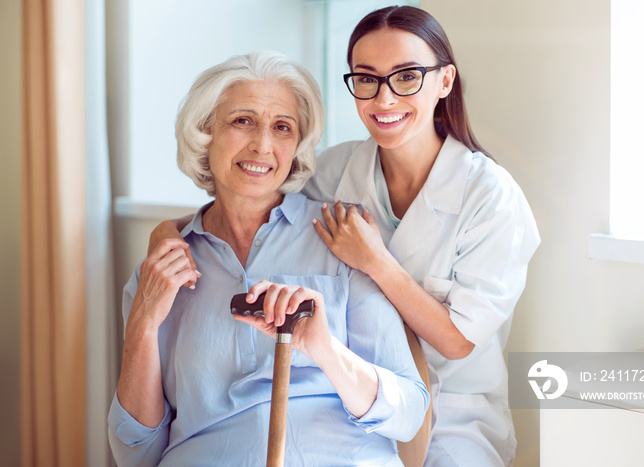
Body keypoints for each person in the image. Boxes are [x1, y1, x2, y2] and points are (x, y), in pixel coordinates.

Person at [149, 6, 540, 466]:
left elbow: (456, 342)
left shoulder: (490, 197)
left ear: (445, 81)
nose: (385, 98)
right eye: (367, 79)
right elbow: (248, 197)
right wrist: (165, 234)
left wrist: (376, 262)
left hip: (454, 411)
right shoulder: (334, 171)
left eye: (407, 76)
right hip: (348, 405)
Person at [108, 50, 430, 467]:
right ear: (205, 132)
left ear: (297, 146)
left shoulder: (341, 240)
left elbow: (408, 415)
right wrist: (142, 326)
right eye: (242, 121)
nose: (262, 145)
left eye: (282, 127)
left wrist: (325, 350)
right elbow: (135, 454)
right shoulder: (160, 271)